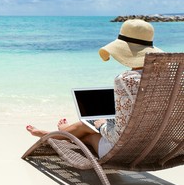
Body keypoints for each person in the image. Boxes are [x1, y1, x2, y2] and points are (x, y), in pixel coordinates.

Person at [26, 19, 163, 158]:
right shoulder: (170, 79)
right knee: (87, 124)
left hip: (126, 151)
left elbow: (117, 137)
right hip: (159, 147)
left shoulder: (127, 79)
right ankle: (61, 132)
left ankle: (54, 135)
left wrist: (102, 126)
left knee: (89, 134)